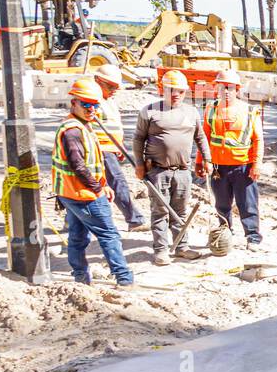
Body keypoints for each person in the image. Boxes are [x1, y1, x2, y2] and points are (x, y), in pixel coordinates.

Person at [51, 77, 135, 286]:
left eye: (95, 105)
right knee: (109, 234)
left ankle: (80, 277)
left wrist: (103, 184)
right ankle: (124, 278)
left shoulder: (82, 125)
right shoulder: (72, 131)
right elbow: (78, 166)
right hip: (83, 194)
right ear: (74, 103)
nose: (91, 109)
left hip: (72, 193)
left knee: (78, 236)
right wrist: (99, 188)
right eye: (86, 105)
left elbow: (91, 163)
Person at [132, 69, 211, 265]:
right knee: (160, 211)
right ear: (163, 89)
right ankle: (161, 251)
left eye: (180, 91)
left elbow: (200, 137)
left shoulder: (191, 112)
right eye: (170, 89)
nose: (175, 94)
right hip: (158, 170)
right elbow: (138, 139)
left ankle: (181, 247)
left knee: (180, 210)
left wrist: (207, 160)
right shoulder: (149, 111)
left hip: (182, 171)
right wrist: (139, 164)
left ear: (185, 92)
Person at [203, 69, 264, 250]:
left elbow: (258, 139)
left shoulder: (249, 111)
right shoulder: (211, 109)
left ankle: (253, 236)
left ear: (237, 89)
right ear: (217, 89)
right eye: (222, 88)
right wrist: (201, 161)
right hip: (218, 167)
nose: (226, 92)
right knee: (222, 204)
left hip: (243, 167)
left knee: (247, 204)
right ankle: (224, 234)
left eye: (229, 88)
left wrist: (257, 164)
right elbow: (204, 138)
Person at [90, 63, 147, 232]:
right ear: (98, 81)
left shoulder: (108, 101)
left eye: (116, 87)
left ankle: (73, 220)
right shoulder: (92, 101)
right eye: (111, 86)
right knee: (117, 182)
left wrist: (120, 147)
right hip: (101, 149)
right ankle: (134, 220)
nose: (114, 90)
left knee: (97, 184)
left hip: (111, 149)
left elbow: (113, 126)